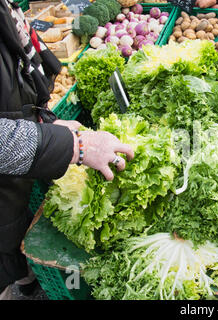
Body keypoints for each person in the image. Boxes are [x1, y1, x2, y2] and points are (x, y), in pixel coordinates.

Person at [0, 0, 134, 299]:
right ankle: (22, 284)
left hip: (15, 178)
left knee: (13, 238)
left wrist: (43, 121)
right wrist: (76, 147)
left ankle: (24, 279)